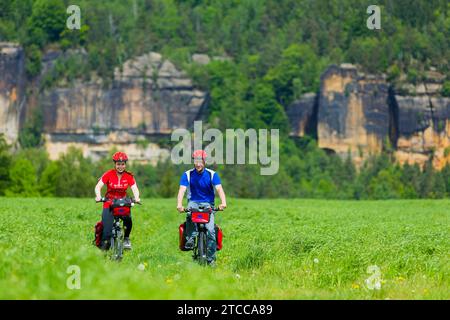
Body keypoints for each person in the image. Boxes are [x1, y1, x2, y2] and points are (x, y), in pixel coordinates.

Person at [177, 150, 227, 265]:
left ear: (205, 161)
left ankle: (211, 260)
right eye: (196, 161)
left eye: (201, 161)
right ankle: (190, 238)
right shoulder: (187, 174)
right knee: (189, 214)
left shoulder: (212, 174)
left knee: (210, 230)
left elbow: (219, 189)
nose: (198, 164)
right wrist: (179, 204)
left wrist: (223, 202)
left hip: (208, 204)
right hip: (193, 202)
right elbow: (182, 190)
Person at [94, 151, 141, 250]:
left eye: (123, 164)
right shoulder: (108, 174)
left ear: (125, 164)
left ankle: (126, 239)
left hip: (122, 203)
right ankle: (104, 249)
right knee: (106, 232)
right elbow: (98, 187)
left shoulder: (129, 176)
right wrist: (98, 196)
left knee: (128, 219)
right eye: (118, 164)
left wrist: (136, 198)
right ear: (115, 164)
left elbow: (135, 188)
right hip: (109, 203)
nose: (120, 166)